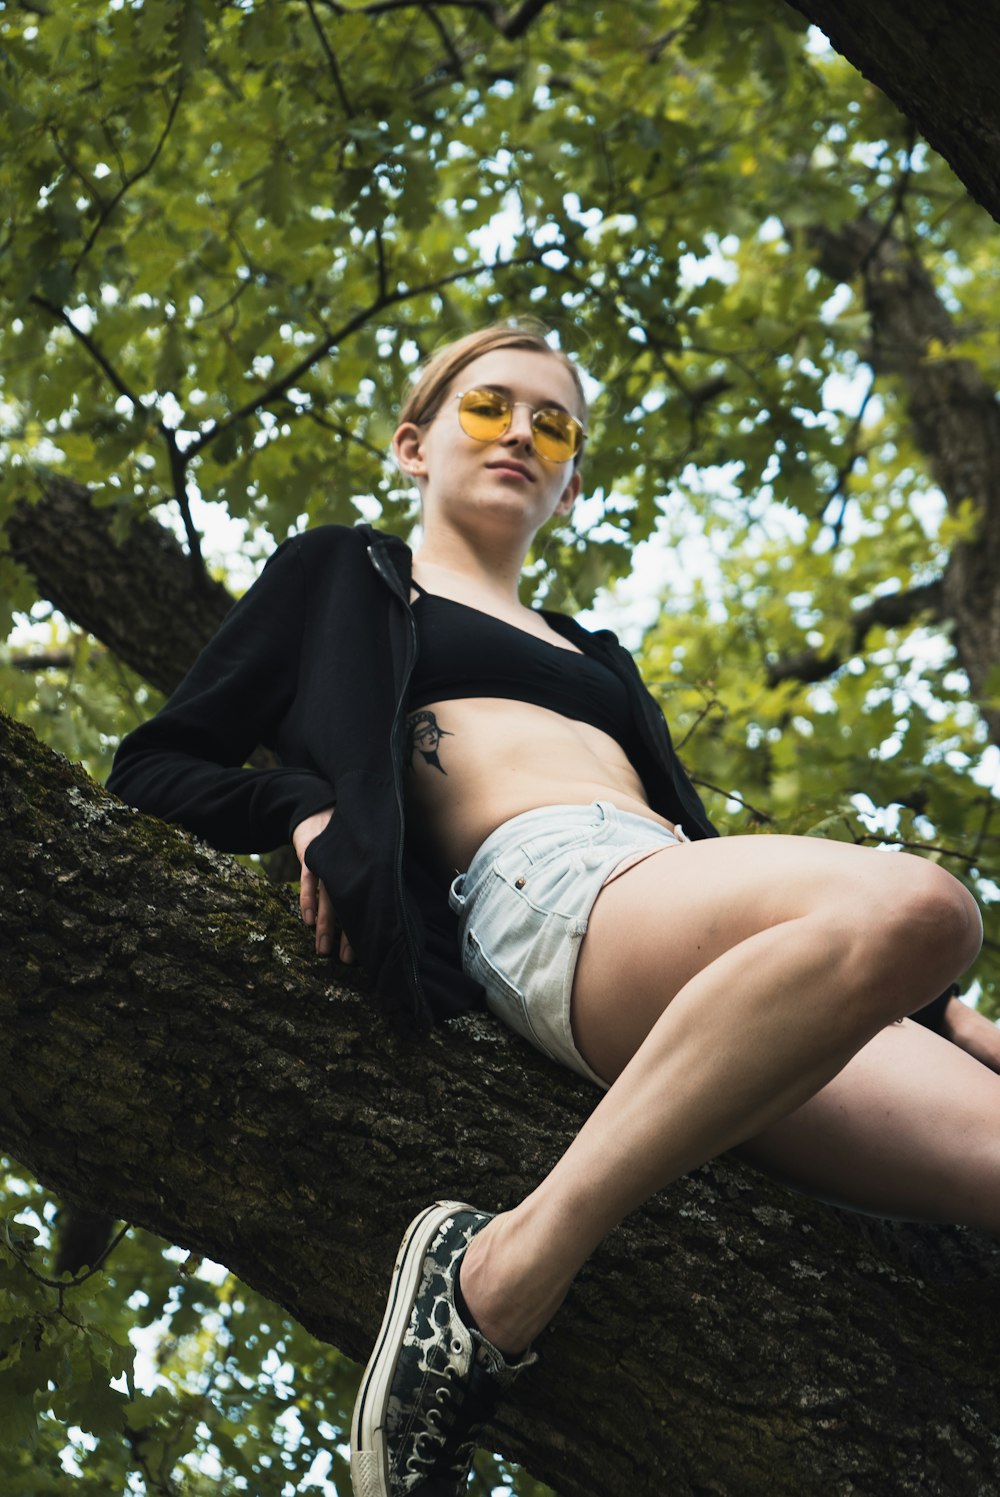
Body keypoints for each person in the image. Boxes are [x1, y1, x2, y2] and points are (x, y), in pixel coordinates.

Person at [107, 321, 996, 1497]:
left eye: (553, 422)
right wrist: (302, 807)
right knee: (925, 907)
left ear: (571, 484)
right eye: (489, 407)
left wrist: (940, 1024)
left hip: (692, 913)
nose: (521, 432)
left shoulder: (597, 652)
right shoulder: (344, 574)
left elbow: (723, 860)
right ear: (413, 444)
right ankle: (500, 1271)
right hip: (546, 887)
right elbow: (156, 767)